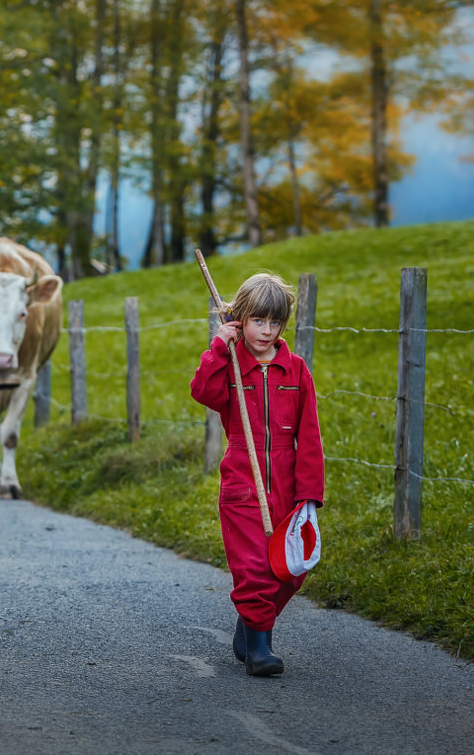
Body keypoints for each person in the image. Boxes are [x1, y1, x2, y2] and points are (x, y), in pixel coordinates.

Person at [189, 272, 325, 676]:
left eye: (274, 323)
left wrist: (309, 494)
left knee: (289, 571)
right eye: (256, 322)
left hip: (286, 486)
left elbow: (311, 435)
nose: (266, 332)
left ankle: (251, 625)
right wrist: (219, 347)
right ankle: (260, 651)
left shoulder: (296, 370)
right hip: (242, 486)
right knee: (252, 569)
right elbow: (203, 393)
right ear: (239, 320)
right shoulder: (229, 366)